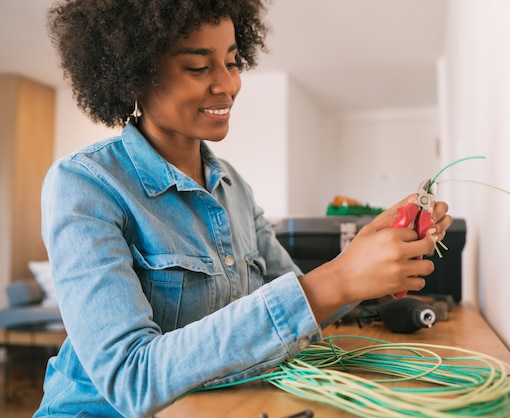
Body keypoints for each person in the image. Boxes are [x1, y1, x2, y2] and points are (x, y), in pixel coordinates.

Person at [35, 1, 453, 417]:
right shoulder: (84, 185)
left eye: (233, 62)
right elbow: (131, 378)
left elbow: (300, 306)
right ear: (134, 74)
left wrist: (369, 256)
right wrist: (338, 279)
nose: (228, 85)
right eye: (199, 68)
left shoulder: (233, 187)